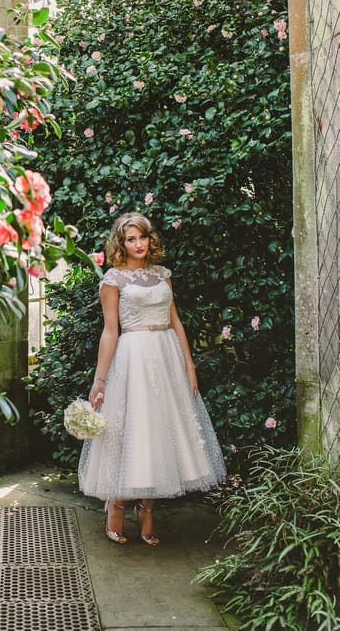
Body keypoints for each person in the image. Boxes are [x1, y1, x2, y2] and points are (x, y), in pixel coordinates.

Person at [78, 212, 226, 546]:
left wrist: (189, 364)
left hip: (166, 356)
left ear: (150, 239)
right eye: (130, 239)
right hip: (133, 357)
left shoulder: (162, 275)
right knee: (132, 430)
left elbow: (176, 322)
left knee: (162, 430)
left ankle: (147, 509)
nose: (138, 244)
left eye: (142, 237)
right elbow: (110, 331)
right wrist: (100, 380)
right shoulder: (113, 279)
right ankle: (116, 504)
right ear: (121, 243)